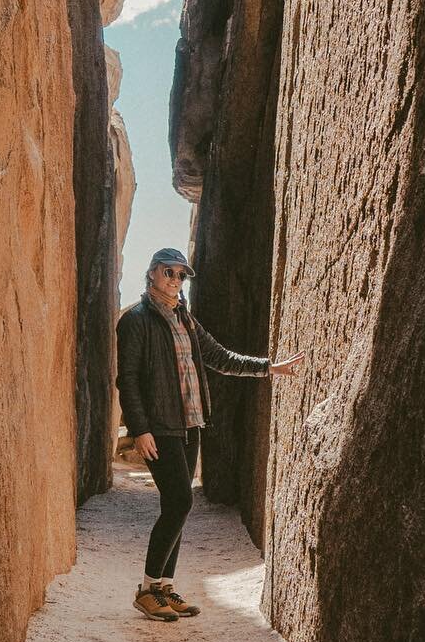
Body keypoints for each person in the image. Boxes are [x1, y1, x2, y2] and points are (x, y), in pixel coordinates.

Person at [115, 247, 305, 621]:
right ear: (152, 273)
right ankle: (147, 588)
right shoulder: (135, 321)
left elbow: (220, 357)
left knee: (178, 507)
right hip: (161, 428)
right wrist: (140, 429)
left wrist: (269, 368)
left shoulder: (185, 319)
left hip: (191, 425)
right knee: (179, 503)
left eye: (180, 275)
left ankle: (164, 588)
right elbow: (129, 380)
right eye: (168, 272)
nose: (175, 280)